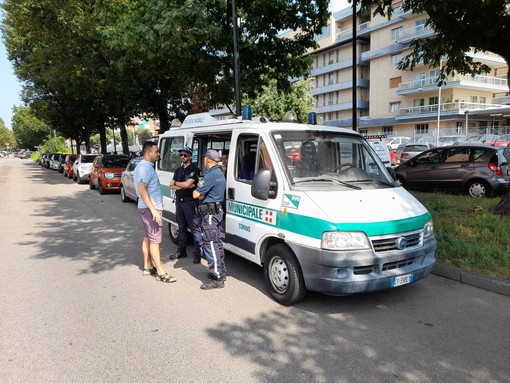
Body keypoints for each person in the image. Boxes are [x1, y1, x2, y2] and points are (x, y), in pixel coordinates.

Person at [133, 141, 176, 283]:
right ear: (148, 153)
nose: (159, 154)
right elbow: (142, 189)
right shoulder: (145, 168)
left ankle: (147, 266)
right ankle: (161, 273)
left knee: (148, 238)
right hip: (150, 209)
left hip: (146, 208)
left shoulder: (144, 166)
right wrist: (153, 210)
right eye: (156, 151)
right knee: (155, 241)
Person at [192, 149, 226, 290]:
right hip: (216, 212)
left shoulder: (211, 175)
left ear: (207, 159)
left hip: (210, 214)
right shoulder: (219, 172)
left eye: (205, 158)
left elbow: (195, 194)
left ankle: (217, 277)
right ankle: (220, 272)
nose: (204, 161)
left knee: (211, 244)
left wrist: (200, 194)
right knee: (217, 243)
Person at [169, 146, 202, 263]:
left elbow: (188, 185)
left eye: (185, 155)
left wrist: (180, 184)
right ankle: (181, 251)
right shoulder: (178, 170)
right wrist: (183, 185)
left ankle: (198, 254)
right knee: (181, 227)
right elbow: (171, 185)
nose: (182, 157)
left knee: (195, 228)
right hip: (179, 202)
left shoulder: (194, 169)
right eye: (181, 155)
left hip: (190, 203)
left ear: (190, 157)